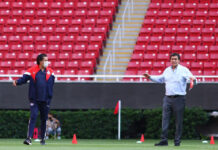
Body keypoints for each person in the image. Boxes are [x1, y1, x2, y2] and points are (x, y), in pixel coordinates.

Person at [144, 53, 196, 146]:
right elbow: (160, 79)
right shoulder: (167, 70)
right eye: (172, 59)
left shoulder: (184, 70)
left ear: (179, 60)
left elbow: (193, 80)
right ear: (170, 60)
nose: (174, 61)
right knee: (165, 120)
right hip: (167, 98)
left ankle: (177, 141)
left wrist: (193, 79)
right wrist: (150, 77)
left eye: (175, 59)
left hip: (179, 98)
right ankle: (164, 141)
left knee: (178, 121)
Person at [13, 54, 55, 145]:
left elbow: (51, 86)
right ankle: (28, 139)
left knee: (44, 119)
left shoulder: (51, 72)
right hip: (35, 99)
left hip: (45, 100)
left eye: (47, 60)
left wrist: (49, 97)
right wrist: (17, 82)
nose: (47, 62)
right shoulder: (32, 71)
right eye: (45, 60)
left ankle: (42, 139)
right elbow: (24, 79)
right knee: (33, 116)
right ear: (40, 61)